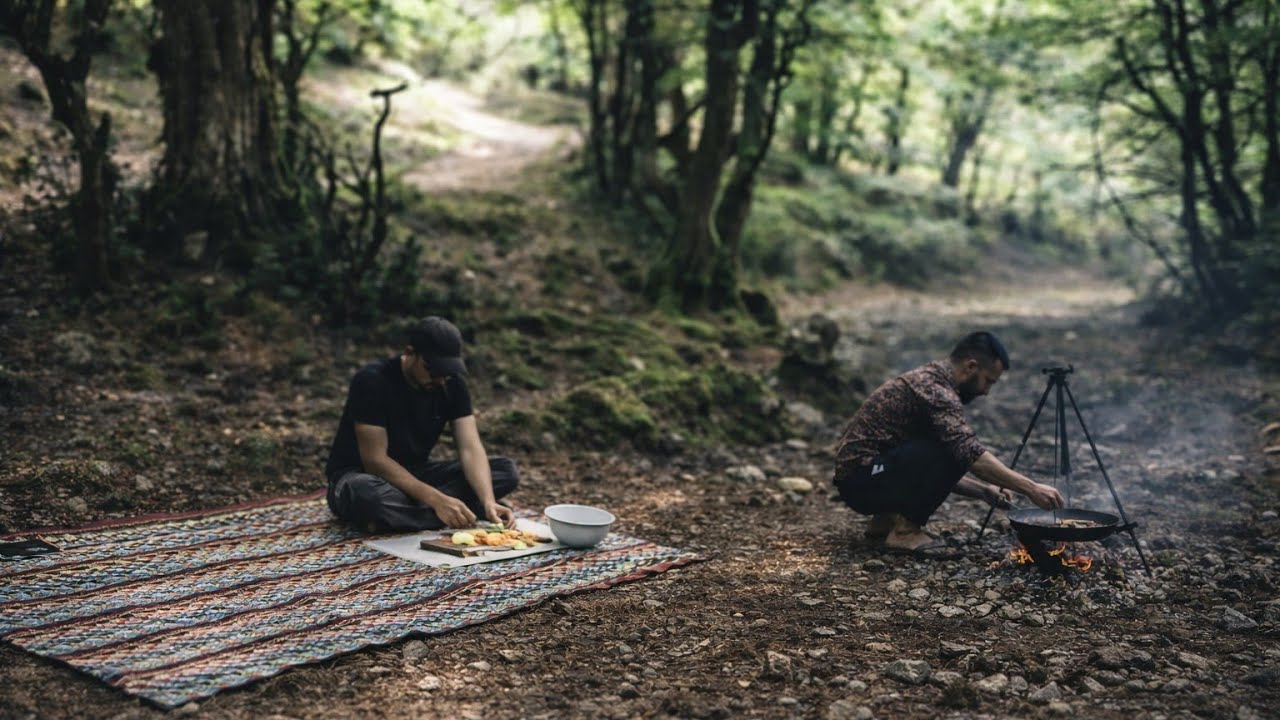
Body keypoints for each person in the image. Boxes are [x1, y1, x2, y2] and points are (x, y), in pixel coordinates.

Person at [832, 331, 1064, 557]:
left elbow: (924, 467)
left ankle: (883, 522)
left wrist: (984, 491)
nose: (986, 392)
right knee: (957, 447)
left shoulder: (932, 379)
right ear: (971, 366)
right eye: (988, 381)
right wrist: (1031, 488)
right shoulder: (936, 389)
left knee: (949, 445)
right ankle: (905, 531)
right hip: (862, 483)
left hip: (862, 480)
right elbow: (967, 453)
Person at [325, 316, 519, 532]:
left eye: (445, 371)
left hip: (417, 475)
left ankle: (405, 517)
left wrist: (488, 501)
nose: (439, 379)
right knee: (366, 494)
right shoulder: (372, 381)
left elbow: (470, 448)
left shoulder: (450, 383)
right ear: (410, 353)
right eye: (432, 369)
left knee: (504, 470)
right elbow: (375, 461)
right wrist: (436, 500)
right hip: (362, 476)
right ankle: (445, 511)